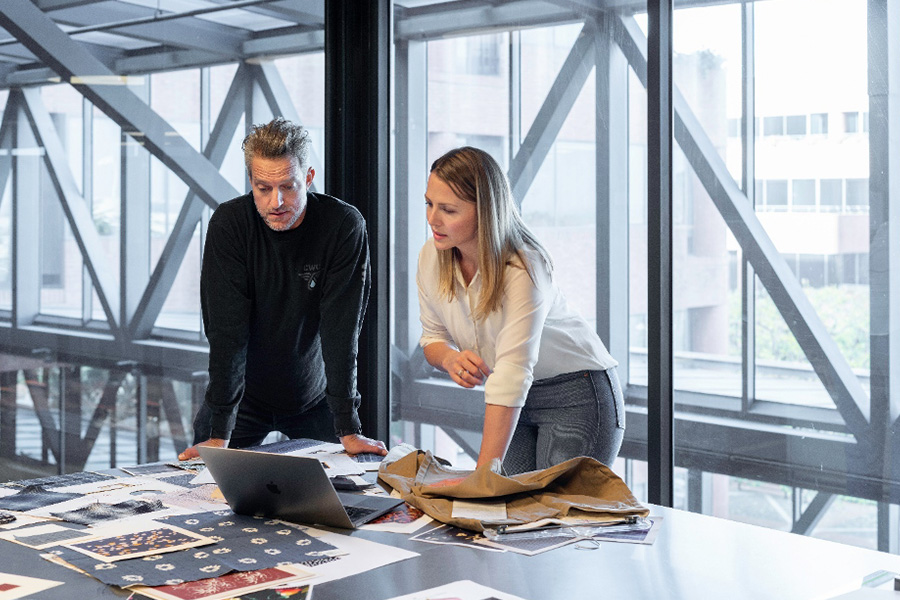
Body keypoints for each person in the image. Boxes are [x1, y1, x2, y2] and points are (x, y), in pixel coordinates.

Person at [179, 117, 386, 460]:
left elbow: (341, 331)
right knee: (206, 491)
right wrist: (219, 432)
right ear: (251, 182)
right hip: (241, 400)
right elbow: (227, 333)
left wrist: (348, 426)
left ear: (308, 177)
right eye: (263, 188)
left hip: (314, 397)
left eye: (288, 186)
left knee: (343, 494)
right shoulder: (230, 225)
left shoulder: (343, 226)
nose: (276, 202)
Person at [417, 146, 624, 475]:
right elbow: (432, 338)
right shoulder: (432, 256)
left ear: (484, 210)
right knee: (512, 511)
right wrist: (450, 358)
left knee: (554, 517)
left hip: (575, 393)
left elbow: (513, 373)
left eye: (448, 210)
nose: (432, 219)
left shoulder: (524, 266)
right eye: (429, 204)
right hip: (511, 398)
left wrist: (481, 480)